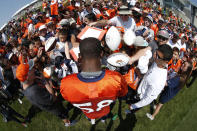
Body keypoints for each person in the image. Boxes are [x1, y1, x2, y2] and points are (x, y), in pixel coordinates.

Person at [60, 37, 128, 124]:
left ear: (80, 56)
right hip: (104, 109)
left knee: (91, 116)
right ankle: (103, 119)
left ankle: (92, 119)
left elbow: (67, 97)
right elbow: (122, 93)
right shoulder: (116, 79)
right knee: (104, 113)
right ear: (101, 54)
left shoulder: (66, 84)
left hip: (88, 112)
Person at [15, 60, 70, 126]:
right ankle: (67, 123)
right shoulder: (33, 92)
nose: (33, 69)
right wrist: (45, 81)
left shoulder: (27, 81)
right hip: (53, 105)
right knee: (62, 114)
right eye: (31, 70)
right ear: (27, 77)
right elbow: (52, 98)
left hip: (47, 99)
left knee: (62, 110)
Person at [128, 44, 173, 111]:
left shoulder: (158, 82)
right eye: (155, 52)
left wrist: (133, 106)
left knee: (129, 110)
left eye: (158, 56)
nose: (154, 55)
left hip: (139, 98)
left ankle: (129, 111)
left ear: (165, 62)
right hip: (139, 87)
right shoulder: (158, 62)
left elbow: (147, 100)